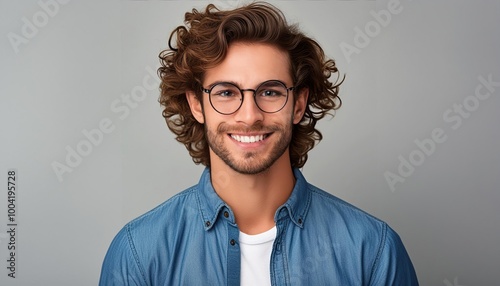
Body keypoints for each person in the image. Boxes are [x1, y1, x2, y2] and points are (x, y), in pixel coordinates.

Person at [99, 2, 419, 285]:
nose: (249, 116)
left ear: (298, 104)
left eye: (270, 91)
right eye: (226, 92)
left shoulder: (372, 250)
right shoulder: (138, 252)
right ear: (197, 104)